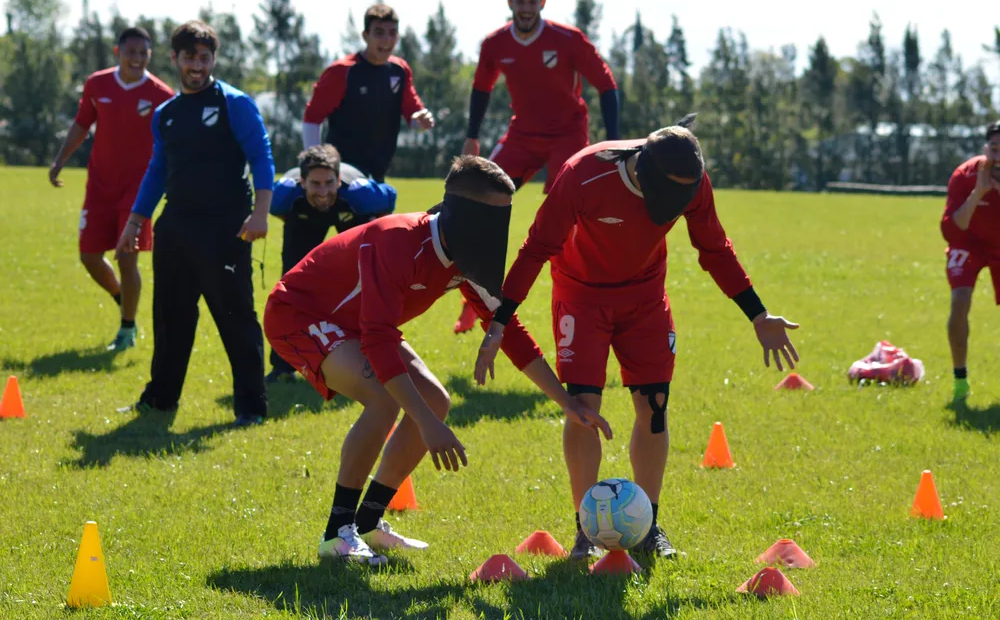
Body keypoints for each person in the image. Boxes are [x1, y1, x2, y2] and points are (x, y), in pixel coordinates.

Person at [475, 116, 800, 561]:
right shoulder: (584, 174)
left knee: (655, 408)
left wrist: (758, 314)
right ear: (646, 176)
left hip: (646, 298)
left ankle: (647, 525)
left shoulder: (692, 181)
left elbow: (715, 248)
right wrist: (500, 322)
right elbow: (535, 249)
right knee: (584, 408)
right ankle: (585, 529)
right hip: (581, 298)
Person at [263, 155, 612, 565]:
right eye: (489, 218)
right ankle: (337, 534)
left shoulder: (464, 253)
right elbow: (377, 339)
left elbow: (508, 330)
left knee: (436, 401)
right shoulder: (395, 240)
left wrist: (566, 402)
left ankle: (370, 523)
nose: (494, 232)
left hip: (360, 323)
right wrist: (428, 428)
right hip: (300, 316)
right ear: (462, 214)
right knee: (385, 398)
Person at [115, 20, 275, 426]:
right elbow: (157, 169)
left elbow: (262, 157)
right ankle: (160, 399)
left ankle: (251, 409)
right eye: (190, 57)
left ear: (213, 59)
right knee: (170, 315)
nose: (197, 65)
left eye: (205, 58)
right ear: (175, 59)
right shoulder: (166, 114)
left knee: (235, 316)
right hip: (176, 226)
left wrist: (260, 212)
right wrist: (136, 222)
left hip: (226, 227)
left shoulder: (233, 103)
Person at [453, 0, 620, 334]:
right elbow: (481, 88)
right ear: (510, 3)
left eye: (532, 2)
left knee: (563, 222)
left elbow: (606, 84)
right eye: (520, 1)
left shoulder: (567, 39)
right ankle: (473, 299)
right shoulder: (494, 44)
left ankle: (577, 304)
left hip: (567, 136)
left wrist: (614, 138)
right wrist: (472, 137)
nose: (526, 8)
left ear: (542, 4)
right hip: (522, 134)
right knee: (477, 202)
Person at [48, 27, 174, 351]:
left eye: (143, 53)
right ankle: (122, 299)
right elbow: (81, 123)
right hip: (99, 186)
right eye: (131, 51)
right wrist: (60, 159)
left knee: (126, 257)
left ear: (150, 55)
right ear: (118, 52)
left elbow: (174, 143)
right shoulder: (97, 84)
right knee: (89, 256)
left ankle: (127, 329)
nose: (137, 58)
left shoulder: (162, 95)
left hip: (138, 190)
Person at [266, 143, 397, 382]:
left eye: (329, 183)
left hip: (349, 211)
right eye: (315, 183)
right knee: (291, 287)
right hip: (304, 214)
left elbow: (389, 201)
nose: (323, 191)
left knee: (363, 285)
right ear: (302, 182)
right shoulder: (284, 196)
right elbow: (275, 210)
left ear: (338, 180)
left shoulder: (361, 195)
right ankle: (283, 366)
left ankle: (368, 358)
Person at [301, 3, 434, 181]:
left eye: (392, 33)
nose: (387, 39)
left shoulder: (400, 70)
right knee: (368, 199)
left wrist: (421, 121)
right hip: (341, 172)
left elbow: (413, 112)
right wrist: (314, 166)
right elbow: (312, 118)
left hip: (378, 171)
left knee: (380, 202)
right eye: (379, 33)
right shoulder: (342, 71)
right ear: (365, 36)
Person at [940, 120, 1000, 402]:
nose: (999, 158)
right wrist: (979, 191)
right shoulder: (964, 174)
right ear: (987, 149)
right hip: (969, 244)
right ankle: (960, 380)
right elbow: (951, 230)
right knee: (959, 301)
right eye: (996, 150)